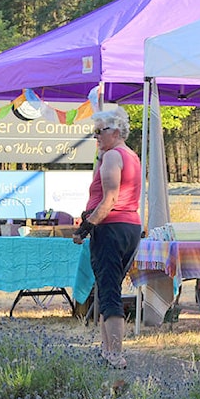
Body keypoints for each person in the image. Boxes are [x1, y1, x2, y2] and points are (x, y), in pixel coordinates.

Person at [73, 108, 141, 370]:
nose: (96, 137)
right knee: (104, 288)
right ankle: (106, 350)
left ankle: (115, 354)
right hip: (128, 227)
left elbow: (111, 198)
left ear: (115, 131)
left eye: (99, 132)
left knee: (110, 291)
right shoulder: (130, 155)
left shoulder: (113, 156)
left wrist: (85, 227)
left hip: (111, 228)